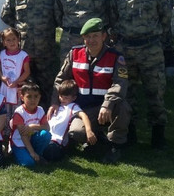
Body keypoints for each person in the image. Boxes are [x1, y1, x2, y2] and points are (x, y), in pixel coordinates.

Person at [48, 18, 131, 162]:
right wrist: (55, 102)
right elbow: (60, 79)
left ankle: (115, 145)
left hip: (106, 107)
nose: (91, 40)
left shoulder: (115, 57)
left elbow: (120, 83)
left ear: (103, 36)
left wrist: (107, 104)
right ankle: (97, 139)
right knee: (76, 132)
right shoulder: (74, 54)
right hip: (82, 109)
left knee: (123, 106)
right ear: (83, 37)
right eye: (87, 36)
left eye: (95, 36)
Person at [111, 0, 171, 150]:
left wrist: (154, 39)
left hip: (150, 49)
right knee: (128, 93)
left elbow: (165, 20)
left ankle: (158, 135)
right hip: (126, 50)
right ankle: (131, 132)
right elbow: (113, 19)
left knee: (156, 91)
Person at [1, 0, 57, 107]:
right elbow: (5, 15)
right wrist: (21, 29)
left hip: (46, 53)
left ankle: (46, 121)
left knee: (47, 89)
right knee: (24, 90)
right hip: (23, 54)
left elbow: (58, 17)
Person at [44, 80, 95, 162]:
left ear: (74, 98)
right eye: (61, 96)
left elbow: (84, 116)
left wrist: (89, 130)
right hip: (46, 136)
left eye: (66, 98)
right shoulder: (57, 106)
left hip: (57, 141)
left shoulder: (73, 106)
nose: (62, 99)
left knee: (51, 150)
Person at [9, 82, 51, 167]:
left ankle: (38, 155)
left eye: (36, 96)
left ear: (39, 97)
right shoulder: (19, 112)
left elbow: (47, 127)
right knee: (28, 163)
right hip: (19, 142)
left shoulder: (40, 110)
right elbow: (23, 135)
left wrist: (33, 126)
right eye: (29, 97)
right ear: (22, 97)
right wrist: (31, 152)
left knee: (45, 135)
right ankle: (17, 153)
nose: (33, 100)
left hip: (32, 139)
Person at [0, 28, 30, 123]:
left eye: (14, 39)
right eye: (8, 40)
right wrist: (2, 78)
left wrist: (17, 82)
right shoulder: (2, 54)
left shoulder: (23, 55)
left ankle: (16, 131)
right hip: (5, 88)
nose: (12, 42)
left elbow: (27, 72)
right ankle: (5, 132)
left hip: (17, 88)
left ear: (18, 40)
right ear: (3, 43)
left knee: (17, 111)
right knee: (5, 111)